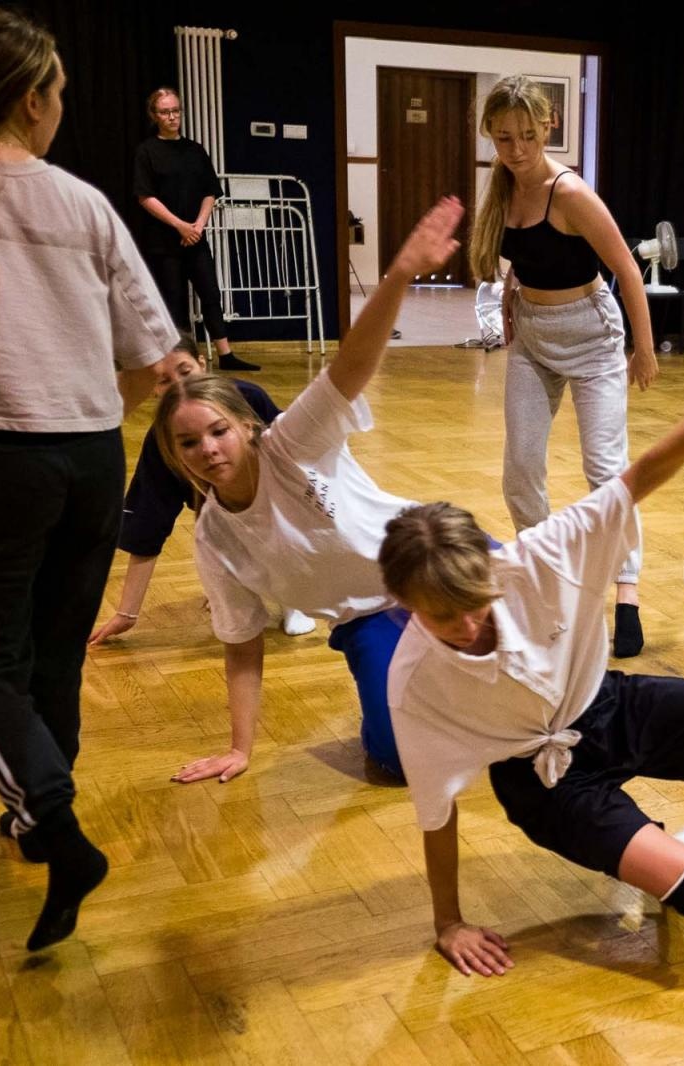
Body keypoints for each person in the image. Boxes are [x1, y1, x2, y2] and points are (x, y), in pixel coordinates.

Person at [381, 333, 684, 978]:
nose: (464, 625)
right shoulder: (413, 684)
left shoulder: (538, 557)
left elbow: (645, 472)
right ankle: (657, 855)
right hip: (544, 781)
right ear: (404, 606)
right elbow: (437, 810)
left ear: (490, 568)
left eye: (474, 601)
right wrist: (448, 922)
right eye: (439, 615)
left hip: (609, 704)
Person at [0, 8, 178, 950]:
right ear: (31, 100)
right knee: (52, 657)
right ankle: (34, 816)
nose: (63, 109)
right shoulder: (83, 203)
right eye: (60, 94)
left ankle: (57, 834)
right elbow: (153, 362)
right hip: (91, 458)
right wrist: (82, 406)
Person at [152, 198, 464, 786]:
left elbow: (350, 365)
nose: (209, 450)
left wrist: (398, 274)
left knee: (543, 666)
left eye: (218, 431)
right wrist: (240, 748)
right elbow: (242, 646)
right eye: (189, 443)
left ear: (246, 425)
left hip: (438, 560)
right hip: (369, 615)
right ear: (176, 454)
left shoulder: (289, 445)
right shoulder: (215, 539)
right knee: (395, 762)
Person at [468, 75, 656, 658]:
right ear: (490, 137)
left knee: (605, 471)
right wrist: (508, 300)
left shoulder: (569, 193)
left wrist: (643, 348)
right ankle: (549, 573)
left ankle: (626, 591)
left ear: (548, 127)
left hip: (594, 335)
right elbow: (522, 261)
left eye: (526, 135)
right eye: (503, 138)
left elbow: (626, 269)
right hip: (532, 336)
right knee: (520, 469)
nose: (516, 149)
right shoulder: (501, 189)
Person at [88, 333, 315, 646]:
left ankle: (293, 596)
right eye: (164, 380)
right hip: (225, 517)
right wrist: (127, 614)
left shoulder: (249, 398)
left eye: (185, 371)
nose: (179, 387)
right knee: (216, 532)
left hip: (281, 508)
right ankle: (240, 583)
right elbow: (148, 523)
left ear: (202, 364)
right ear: (152, 388)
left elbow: (298, 459)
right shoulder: (162, 440)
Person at [133, 87, 258, 372]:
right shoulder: (147, 151)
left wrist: (199, 224)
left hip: (196, 236)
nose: (172, 116)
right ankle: (183, 360)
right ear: (154, 116)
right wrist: (179, 225)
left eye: (176, 110)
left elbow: (210, 191)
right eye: (165, 112)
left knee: (211, 294)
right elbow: (145, 196)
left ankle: (226, 354)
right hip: (165, 240)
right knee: (174, 300)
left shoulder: (194, 150)